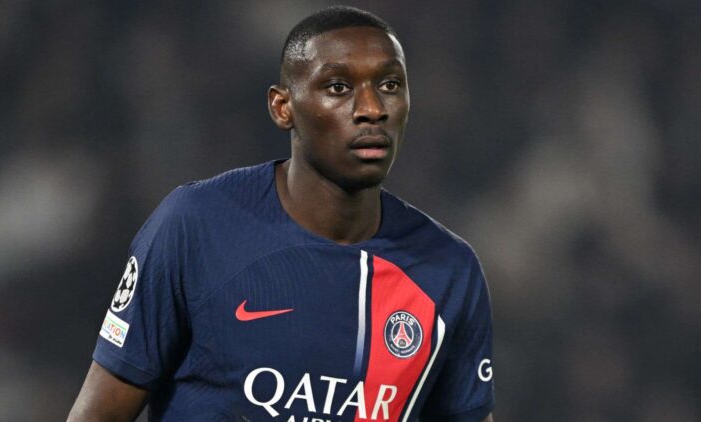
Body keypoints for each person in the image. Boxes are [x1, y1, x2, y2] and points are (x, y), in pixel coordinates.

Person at [68, 5, 494, 422]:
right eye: (338, 87)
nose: (371, 108)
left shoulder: (447, 270)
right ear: (282, 107)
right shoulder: (195, 226)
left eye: (389, 84)